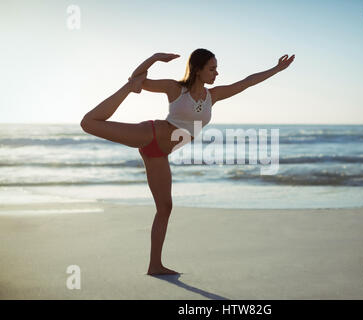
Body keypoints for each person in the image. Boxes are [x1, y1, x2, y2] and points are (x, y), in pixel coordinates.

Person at [80, 48, 295, 275]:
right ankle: (122, 92)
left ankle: (155, 265)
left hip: (159, 155)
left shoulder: (214, 96)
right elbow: (138, 79)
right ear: (198, 69)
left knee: (165, 208)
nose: (216, 73)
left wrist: (277, 69)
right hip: (151, 134)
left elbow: (246, 82)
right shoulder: (175, 89)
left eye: (216, 68)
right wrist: (154, 59)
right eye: (212, 68)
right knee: (90, 123)